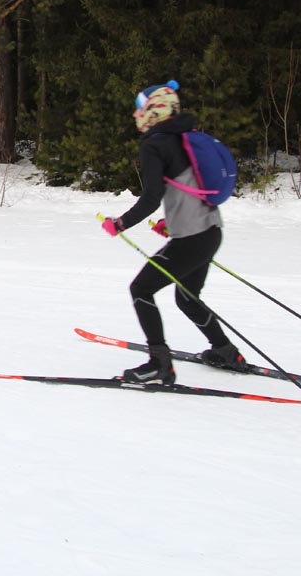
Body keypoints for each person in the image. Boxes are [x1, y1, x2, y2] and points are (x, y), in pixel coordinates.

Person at [100, 80, 247, 385]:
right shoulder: (185, 137)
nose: (137, 114)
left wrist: (121, 223)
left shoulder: (155, 144)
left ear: (153, 111)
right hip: (210, 232)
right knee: (188, 298)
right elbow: (189, 188)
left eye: (141, 108)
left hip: (192, 238)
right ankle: (225, 351)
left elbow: (152, 197)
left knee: (141, 289)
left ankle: (159, 364)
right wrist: (172, 222)